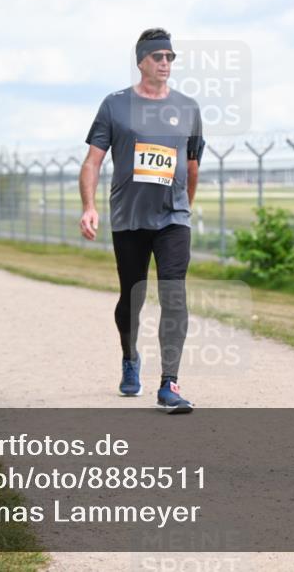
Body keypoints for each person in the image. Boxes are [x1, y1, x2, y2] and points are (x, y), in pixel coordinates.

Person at [79, 28, 205, 414]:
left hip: (173, 219)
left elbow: (192, 166)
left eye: (170, 57)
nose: (165, 63)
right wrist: (89, 206)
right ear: (141, 62)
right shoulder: (115, 105)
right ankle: (130, 356)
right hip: (129, 218)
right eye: (158, 57)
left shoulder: (188, 108)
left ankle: (169, 383)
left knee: (174, 294)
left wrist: (183, 207)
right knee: (131, 298)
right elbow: (93, 162)